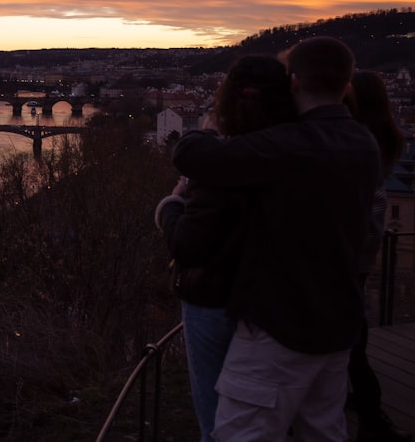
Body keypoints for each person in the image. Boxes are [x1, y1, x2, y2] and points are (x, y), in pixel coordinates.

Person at [171, 36, 381, 442]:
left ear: (295, 82)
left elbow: (191, 155)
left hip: (281, 326)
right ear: (347, 84)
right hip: (338, 326)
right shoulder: (362, 142)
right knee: (322, 432)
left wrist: (212, 127)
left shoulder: (289, 146)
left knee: (238, 434)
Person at [155, 55, 296, 442]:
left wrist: (170, 205)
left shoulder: (218, 163)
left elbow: (187, 245)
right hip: (276, 300)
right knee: (266, 409)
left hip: (214, 299)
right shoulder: (298, 152)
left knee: (217, 411)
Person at [344, 71, 410, 442]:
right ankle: (363, 408)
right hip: (365, 250)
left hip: (348, 250)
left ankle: (370, 415)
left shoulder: (355, 140)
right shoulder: (388, 137)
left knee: (351, 342)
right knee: (356, 336)